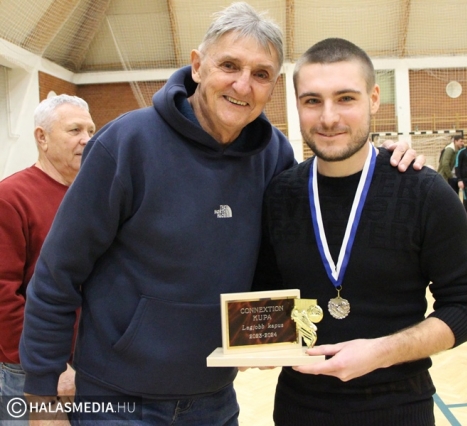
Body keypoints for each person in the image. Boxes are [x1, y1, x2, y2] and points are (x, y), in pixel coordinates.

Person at [19, 3, 422, 425]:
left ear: (272, 87)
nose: (242, 85)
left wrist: (386, 164)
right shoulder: (125, 143)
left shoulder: (274, 156)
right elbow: (57, 275)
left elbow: (295, 251)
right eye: (229, 65)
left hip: (215, 401)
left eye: (261, 74)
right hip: (118, 401)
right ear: (197, 66)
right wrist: (42, 401)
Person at [252, 37, 467, 426]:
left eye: (346, 98)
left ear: (374, 99)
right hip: (299, 409)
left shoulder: (425, 192)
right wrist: (257, 342)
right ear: (297, 105)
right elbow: (267, 294)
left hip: (399, 409)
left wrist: (381, 352)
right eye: (312, 101)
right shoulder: (279, 194)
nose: (328, 117)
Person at [0, 94, 95, 424]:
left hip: (86, 365)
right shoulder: (11, 197)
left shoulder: (92, 196)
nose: (87, 139)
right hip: (31, 371)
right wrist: (46, 366)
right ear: (42, 137)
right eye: (74, 130)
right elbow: (3, 296)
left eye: (91, 130)